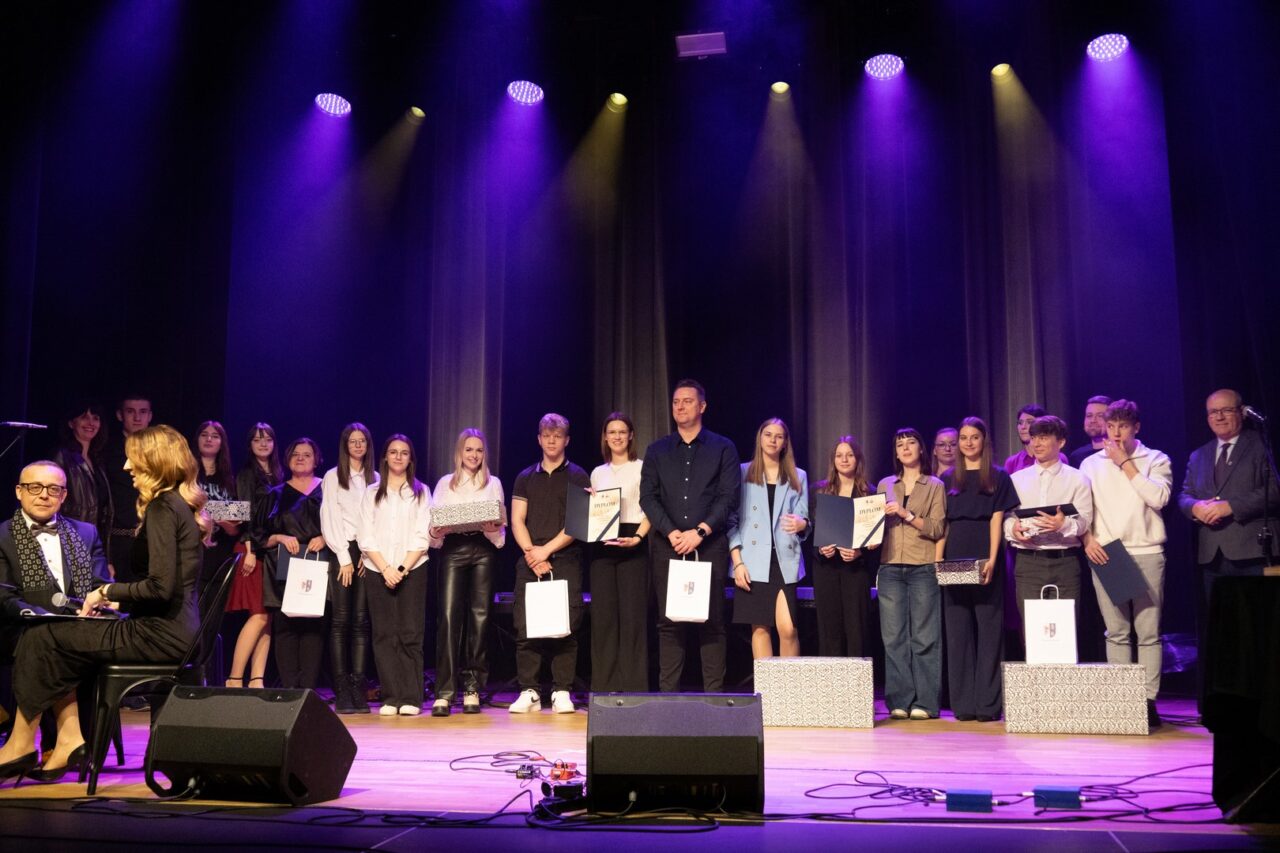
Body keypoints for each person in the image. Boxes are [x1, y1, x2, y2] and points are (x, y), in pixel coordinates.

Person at [0, 425, 207, 786]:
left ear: (154, 461)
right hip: (173, 630)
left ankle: (22, 743)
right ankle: (66, 738)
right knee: (49, 636)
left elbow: (160, 588)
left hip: (159, 634)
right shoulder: (176, 503)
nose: (126, 466)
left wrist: (106, 591)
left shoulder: (163, 506)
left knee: (43, 637)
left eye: (132, 458)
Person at [639, 380, 740, 693]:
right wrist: (671, 532)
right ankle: (668, 697)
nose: (680, 406)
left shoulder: (723, 447)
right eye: (675, 402)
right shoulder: (657, 450)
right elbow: (648, 497)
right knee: (669, 623)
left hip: (708, 546)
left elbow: (728, 496)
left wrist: (700, 531)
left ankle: (714, 699)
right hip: (667, 547)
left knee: (712, 622)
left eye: (687, 401)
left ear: (702, 406)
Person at [1080, 400, 1171, 727]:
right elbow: (1083, 510)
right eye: (1111, 426)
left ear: (1136, 428)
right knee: (1117, 631)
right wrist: (1087, 540)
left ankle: (1147, 700)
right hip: (1109, 553)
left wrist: (1126, 464)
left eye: (1123, 426)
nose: (1115, 433)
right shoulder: (1091, 464)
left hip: (1146, 550)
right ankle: (1123, 699)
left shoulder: (1155, 458)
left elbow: (1158, 498)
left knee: (1148, 632)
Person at [935, 418, 1017, 722]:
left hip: (985, 555)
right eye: (964, 438)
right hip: (954, 554)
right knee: (957, 632)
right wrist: (938, 560)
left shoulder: (998, 476)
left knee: (989, 630)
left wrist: (993, 558)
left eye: (974, 437)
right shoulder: (947, 478)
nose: (968, 443)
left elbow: (997, 520)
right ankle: (964, 704)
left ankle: (988, 704)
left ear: (984, 441)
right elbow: (943, 524)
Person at [509, 414, 590, 714]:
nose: (552, 440)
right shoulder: (525, 476)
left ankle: (561, 690)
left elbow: (577, 524)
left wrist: (547, 552)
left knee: (564, 626)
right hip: (530, 558)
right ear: (539, 439)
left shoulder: (579, 476)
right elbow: (517, 520)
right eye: (546, 435)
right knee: (526, 625)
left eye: (557, 435)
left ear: (566, 440)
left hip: (565, 557)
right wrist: (533, 554)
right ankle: (529, 690)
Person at [1, 462, 111, 663]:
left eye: (53, 489)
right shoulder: (2, 537)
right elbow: (5, 598)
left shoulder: (86, 533)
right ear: (19, 491)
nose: (44, 495)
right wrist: (50, 622)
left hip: (84, 634)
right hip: (26, 638)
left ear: (63, 495)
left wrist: (96, 607)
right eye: (35, 487)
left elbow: (100, 586)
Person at [429, 428, 505, 715]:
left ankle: (473, 687)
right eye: (469, 449)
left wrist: (493, 528)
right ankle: (445, 692)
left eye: (479, 450)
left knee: (480, 618)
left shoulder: (493, 483)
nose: (474, 455)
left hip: (482, 549)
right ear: (459, 452)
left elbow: (500, 534)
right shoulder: (445, 483)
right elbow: (433, 530)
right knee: (449, 618)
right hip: (453, 549)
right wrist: (436, 531)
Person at [1178, 388, 1280, 598]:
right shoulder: (1198, 455)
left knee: (1260, 616)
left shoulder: (1262, 444)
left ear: (1242, 412)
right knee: (1221, 618)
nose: (1219, 417)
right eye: (1213, 412)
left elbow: (1275, 490)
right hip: (1213, 557)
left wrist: (1230, 506)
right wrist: (1195, 508)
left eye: (1226, 410)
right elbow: (1184, 495)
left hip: (1254, 552)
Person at [876, 428, 947, 720]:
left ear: (921, 449)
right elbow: (873, 525)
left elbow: (937, 528)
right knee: (893, 637)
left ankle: (926, 702)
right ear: (895, 453)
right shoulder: (885, 484)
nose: (905, 448)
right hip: (890, 565)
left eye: (911, 443)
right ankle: (899, 700)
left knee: (925, 637)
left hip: (923, 566)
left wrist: (906, 515)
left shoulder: (935, 485)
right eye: (900, 444)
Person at [359, 435, 432, 716]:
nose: (398, 457)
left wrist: (400, 569)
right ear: (385, 457)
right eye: (393, 452)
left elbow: (422, 536)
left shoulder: (421, 491)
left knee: (410, 634)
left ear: (410, 458)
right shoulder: (371, 493)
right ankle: (391, 697)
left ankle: (411, 697)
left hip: (412, 568)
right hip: (378, 569)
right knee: (384, 635)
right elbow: (365, 535)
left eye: (404, 453)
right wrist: (385, 568)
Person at [252, 437, 332, 690]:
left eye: (307, 454)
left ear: (316, 460)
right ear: (287, 460)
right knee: (285, 627)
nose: (300, 458)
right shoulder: (274, 494)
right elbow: (258, 535)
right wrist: (279, 537)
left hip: (318, 563)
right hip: (283, 565)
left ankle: (307, 690)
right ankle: (289, 691)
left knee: (313, 627)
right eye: (296, 454)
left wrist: (326, 537)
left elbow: (345, 527)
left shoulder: (328, 490)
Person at [729, 418, 809, 660]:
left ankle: (789, 684)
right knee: (760, 629)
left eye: (779, 436)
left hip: (785, 560)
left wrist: (803, 524)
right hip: (752, 561)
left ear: (785, 442)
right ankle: (767, 684)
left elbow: (805, 518)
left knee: (788, 629)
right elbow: (731, 520)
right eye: (768, 434)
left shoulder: (798, 475)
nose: (773, 440)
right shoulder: (743, 472)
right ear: (760, 438)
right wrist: (737, 563)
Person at [1004, 415, 1094, 628]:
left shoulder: (1077, 478)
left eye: (1043, 437)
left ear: (1060, 442)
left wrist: (1063, 525)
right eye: (1034, 437)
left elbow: (1085, 520)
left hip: (1065, 561)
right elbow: (1007, 517)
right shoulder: (1017, 479)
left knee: (1065, 629)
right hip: (1029, 561)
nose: (1036, 443)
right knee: (1033, 630)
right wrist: (1013, 529)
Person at [587, 414, 650, 693]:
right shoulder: (597, 473)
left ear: (631, 435)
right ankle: (605, 687)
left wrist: (637, 538)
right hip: (602, 543)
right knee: (604, 618)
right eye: (611, 432)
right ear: (605, 436)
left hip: (633, 540)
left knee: (632, 617)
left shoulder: (642, 468)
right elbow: (594, 513)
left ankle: (633, 687)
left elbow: (650, 509)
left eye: (622, 431)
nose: (617, 436)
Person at [320, 423, 377, 715]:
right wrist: (344, 556)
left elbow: (376, 518)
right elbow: (329, 516)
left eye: (362, 440)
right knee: (341, 620)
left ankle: (358, 686)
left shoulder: (376, 478)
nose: (357, 445)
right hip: (341, 549)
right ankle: (341, 688)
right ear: (345, 445)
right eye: (352, 441)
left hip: (367, 551)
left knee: (361, 621)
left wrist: (367, 554)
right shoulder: (333, 477)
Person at [224, 423, 283, 688]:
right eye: (257, 439)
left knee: (266, 618)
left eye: (268, 439)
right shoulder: (247, 474)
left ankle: (257, 680)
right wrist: (249, 549)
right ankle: (234, 678)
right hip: (251, 550)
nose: (263, 443)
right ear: (249, 444)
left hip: (270, 552)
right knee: (258, 615)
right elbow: (244, 512)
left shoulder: (278, 474)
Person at [809, 436, 875, 657]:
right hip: (826, 569)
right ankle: (832, 679)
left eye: (849, 455)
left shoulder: (869, 493)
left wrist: (859, 552)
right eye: (839, 455)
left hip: (856, 571)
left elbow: (875, 539)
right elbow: (808, 532)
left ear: (858, 459)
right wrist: (820, 550)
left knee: (857, 630)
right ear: (833, 460)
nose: (844, 460)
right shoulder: (818, 491)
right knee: (830, 630)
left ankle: (858, 679)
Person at [102, 394, 154, 581]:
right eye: (131, 411)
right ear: (120, 415)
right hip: (120, 539)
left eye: (143, 412)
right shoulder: (106, 451)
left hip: (152, 539)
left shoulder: (160, 453)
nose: (137, 417)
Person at [52, 401, 113, 545]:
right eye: (84, 417)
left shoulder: (97, 459)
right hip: (71, 539)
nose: (91, 422)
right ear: (71, 423)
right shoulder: (61, 456)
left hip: (95, 540)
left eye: (95, 418)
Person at [194, 421, 239, 585]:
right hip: (192, 549)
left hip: (221, 552)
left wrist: (222, 521)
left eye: (215, 436)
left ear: (222, 443)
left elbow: (236, 528)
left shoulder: (231, 479)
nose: (209, 439)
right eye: (204, 435)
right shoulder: (186, 475)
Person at [1004, 404, 1067, 474]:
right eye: (1020, 423)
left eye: (1029, 422)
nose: (1023, 427)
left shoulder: (1057, 457)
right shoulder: (1012, 462)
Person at [1068, 396, 1113, 470]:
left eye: (1100, 416)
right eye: (1089, 416)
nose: (1093, 420)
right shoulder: (1076, 457)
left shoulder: (1120, 453)